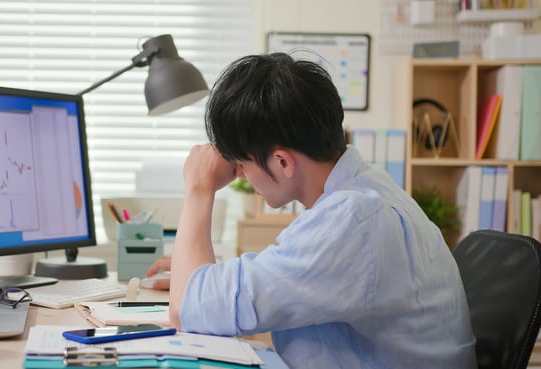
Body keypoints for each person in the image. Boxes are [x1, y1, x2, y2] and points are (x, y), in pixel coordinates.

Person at [145, 52, 476, 369]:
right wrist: (196, 278)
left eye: (242, 164)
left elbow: (189, 309)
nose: (241, 175)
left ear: (282, 161)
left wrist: (199, 188)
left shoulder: (351, 219)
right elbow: (279, 275)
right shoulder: (366, 191)